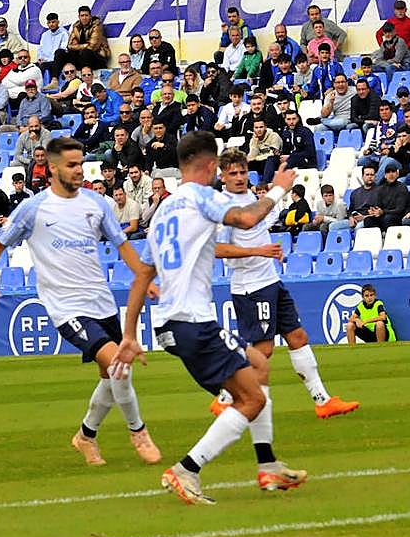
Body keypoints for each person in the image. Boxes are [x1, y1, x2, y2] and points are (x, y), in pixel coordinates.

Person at [109, 132, 307, 505]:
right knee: (250, 399)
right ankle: (187, 469)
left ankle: (268, 466)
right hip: (193, 321)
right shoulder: (201, 197)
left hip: (170, 322)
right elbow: (247, 218)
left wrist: (129, 333)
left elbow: (142, 277)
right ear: (212, 165)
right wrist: (279, 189)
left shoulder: (162, 211)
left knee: (259, 365)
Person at [0, 137, 160, 467]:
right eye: (72, 165)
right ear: (52, 168)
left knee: (111, 375)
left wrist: (143, 279)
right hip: (67, 308)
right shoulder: (33, 208)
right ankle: (139, 431)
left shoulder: (95, 204)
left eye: (81, 164)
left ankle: (85, 436)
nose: (79, 170)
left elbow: (122, 245)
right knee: (120, 365)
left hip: (101, 302)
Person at [210, 149, 358, 419]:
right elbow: (216, 249)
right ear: (222, 176)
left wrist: (268, 250)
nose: (240, 177)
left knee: (298, 337)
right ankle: (225, 396)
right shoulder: (223, 208)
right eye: (233, 173)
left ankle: (322, 400)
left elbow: (258, 228)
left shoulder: (249, 198)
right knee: (263, 349)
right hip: (251, 287)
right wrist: (258, 252)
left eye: (243, 171)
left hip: (270, 281)